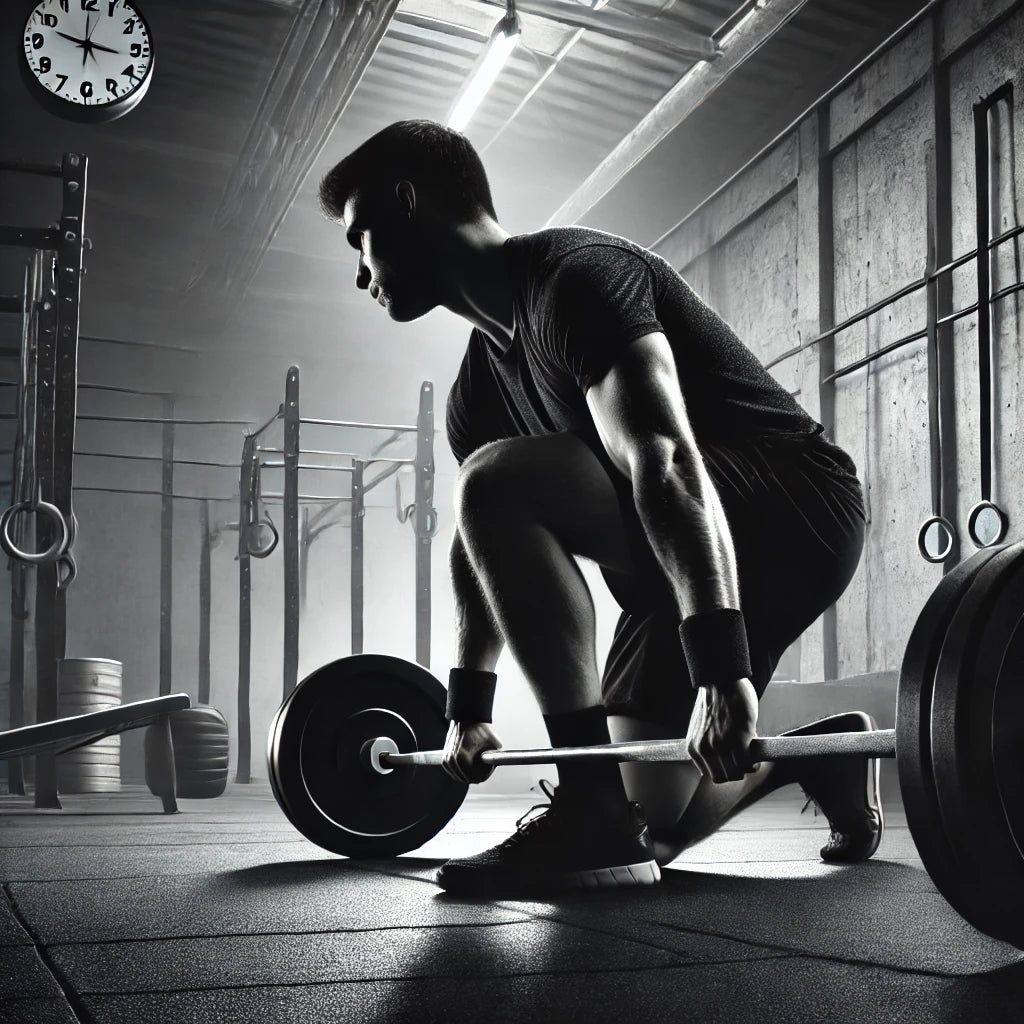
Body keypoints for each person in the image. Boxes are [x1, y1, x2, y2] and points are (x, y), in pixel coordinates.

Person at [318, 119, 882, 896]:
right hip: (668, 565)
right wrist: (465, 707)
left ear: (408, 203)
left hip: (792, 508)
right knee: (650, 830)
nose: (360, 272)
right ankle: (821, 755)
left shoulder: (578, 278)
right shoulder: (475, 393)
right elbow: (475, 552)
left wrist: (721, 670)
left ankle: (585, 807)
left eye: (361, 237)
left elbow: (664, 457)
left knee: (493, 481)